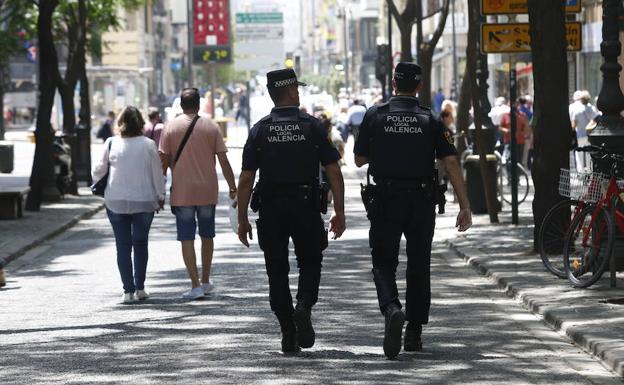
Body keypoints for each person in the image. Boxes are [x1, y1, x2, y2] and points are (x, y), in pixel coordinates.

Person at [354, 62, 472, 359]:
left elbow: (358, 159)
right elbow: (452, 162)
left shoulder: (375, 115)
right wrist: (465, 206)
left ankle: (392, 308)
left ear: (394, 83)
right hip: (421, 200)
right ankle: (414, 334)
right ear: (418, 86)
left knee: (383, 262)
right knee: (419, 265)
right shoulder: (431, 120)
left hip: (385, 198)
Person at [237, 68, 346, 354]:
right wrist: (340, 211)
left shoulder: (260, 129)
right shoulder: (311, 127)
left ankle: (288, 329)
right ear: (291, 92)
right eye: (296, 89)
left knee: (276, 270)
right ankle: (304, 305)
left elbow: (246, 178)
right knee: (311, 261)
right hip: (305, 206)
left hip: (271, 208)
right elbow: (333, 169)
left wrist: (242, 219)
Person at [159, 88, 238, 300]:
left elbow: (163, 163)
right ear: (199, 104)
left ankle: (194, 285)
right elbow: (223, 160)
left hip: (182, 192)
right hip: (207, 190)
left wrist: (158, 191)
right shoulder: (210, 127)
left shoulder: (170, 128)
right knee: (207, 235)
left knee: (186, 237)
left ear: (181, 104)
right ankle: (205, 280)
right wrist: (232, 187)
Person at [92, 107, 165, 304]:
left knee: (122, 246)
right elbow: (156, 173)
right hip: (144, 199)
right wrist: (161, 195)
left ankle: (127, 291)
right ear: (140, 122)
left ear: (120, 122)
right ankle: (140, 288)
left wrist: (98, 178)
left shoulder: (111, 143)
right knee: (140, 244)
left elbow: (98, 170)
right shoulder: (149, 144)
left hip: (116, 200)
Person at [569, 90, 598, 171]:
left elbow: (573, 125)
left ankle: (581, 172)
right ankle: (589, 170)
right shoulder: (591, 108)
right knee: (589, 154)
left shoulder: (577, 110)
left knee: (579, 154)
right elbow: (597, 119)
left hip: (580, 135)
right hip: (590, 135)